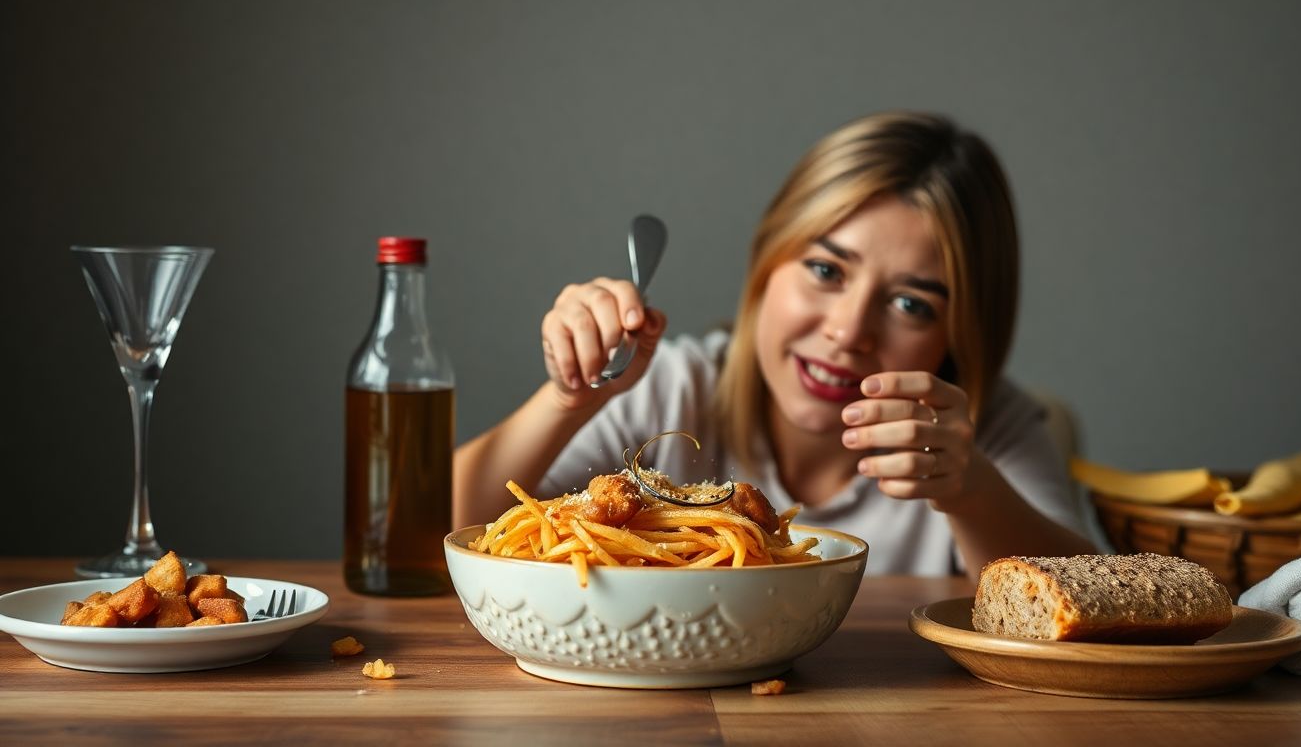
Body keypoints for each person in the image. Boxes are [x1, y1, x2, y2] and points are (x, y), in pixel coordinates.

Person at [454, 110, 1096, 577]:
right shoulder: (676, 388)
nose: (849, 331)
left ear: (961, 335)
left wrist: (971, 489)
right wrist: (568, 398)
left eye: (911, 304)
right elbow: (437, 536)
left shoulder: (984, 431)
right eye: (826, 270)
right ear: (767, 264)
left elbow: (1090, 597)